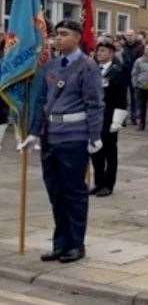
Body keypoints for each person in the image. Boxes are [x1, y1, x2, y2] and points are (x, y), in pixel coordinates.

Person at [20, 20, 104, 263]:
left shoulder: (87, 66)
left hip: (74, 136)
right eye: (56, 34)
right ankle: (60, 243)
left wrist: (95, 136)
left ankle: (76, 245)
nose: (58, 38)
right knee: (55, 192)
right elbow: (41, 102)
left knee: (74, 192)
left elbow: (95, 103)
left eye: (64, 34)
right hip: (50, 136)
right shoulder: (51, 66)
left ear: (77, 37)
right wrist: (34, 133)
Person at [90, 38, 127, 197]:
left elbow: (121, 97)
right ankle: (98, 182)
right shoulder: (92, 69)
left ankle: (108, 184)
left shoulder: (118, 71)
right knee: (95, 151)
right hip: (94, 117)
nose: (99, 53)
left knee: (110, 153)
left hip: (110, 116)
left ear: (111, 53)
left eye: (103, 51)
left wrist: (117, 120)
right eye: (98, 51)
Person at [122, 30, 143, 125]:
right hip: (124, 74)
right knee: (123, 97)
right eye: (128, 35)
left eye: (131, 35)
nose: (129, 37)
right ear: (125, 36)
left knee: (134, 97)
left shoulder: (139, 47)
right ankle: (122, 118)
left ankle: (134, 117)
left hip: (134, 74)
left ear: (135, 36)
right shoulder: (123, 47)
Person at [131, 45, 148, 131]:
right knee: (141, 106)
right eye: (147, 49)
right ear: (144, 50)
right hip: (141, 86)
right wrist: (135, 84)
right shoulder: (138, 61)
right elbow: (134, 73)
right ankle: (141, 123)